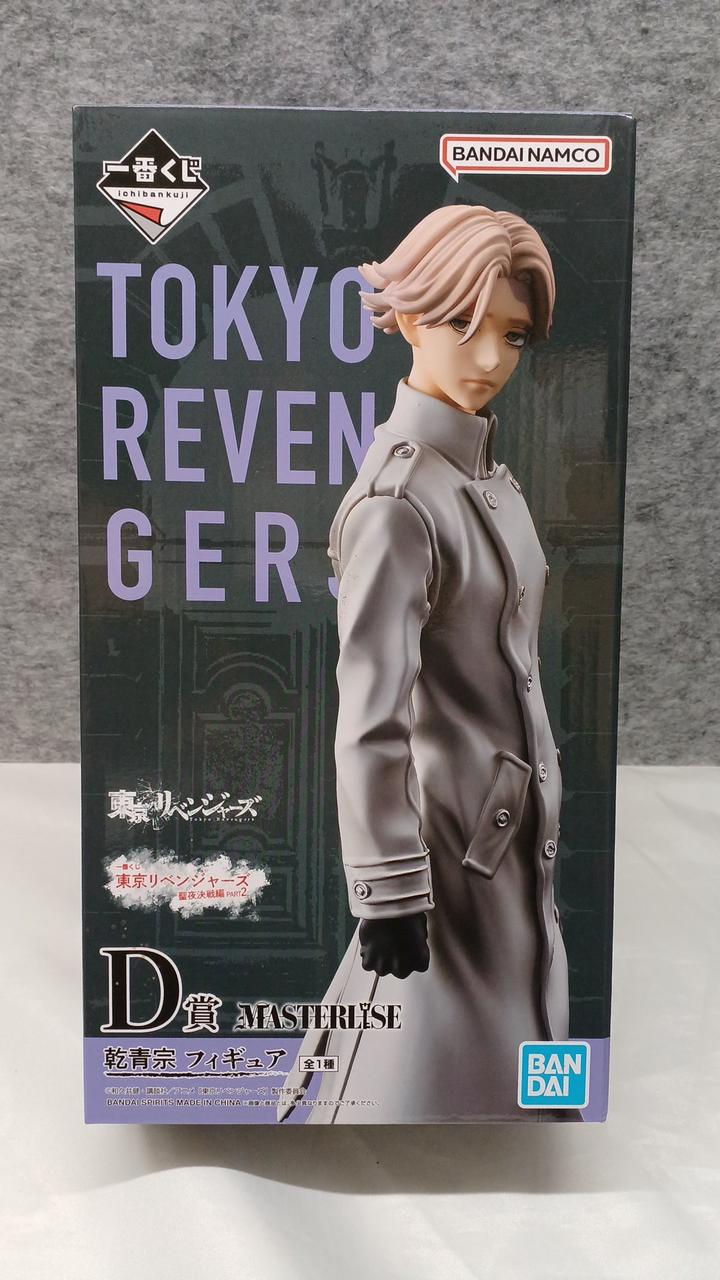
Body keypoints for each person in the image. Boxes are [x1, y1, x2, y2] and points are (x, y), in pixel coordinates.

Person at [278, 203, 571, 1123]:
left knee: (511, 1070)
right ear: (407, 316)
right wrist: (388, 891)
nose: (489, 358)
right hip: (445, 859)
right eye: (460, 323)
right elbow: (371, 716)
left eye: (511, 335)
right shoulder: (398, 504)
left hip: (508, 850)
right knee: (415, 1082)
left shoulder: (486, 480)